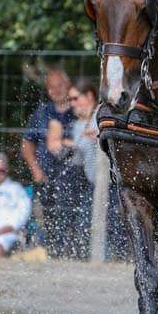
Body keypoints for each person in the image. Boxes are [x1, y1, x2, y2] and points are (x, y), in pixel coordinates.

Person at [21, 68, 76, 256]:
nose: (56, 90)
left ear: (68, 86)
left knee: (74, 219)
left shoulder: (78, 109)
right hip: (46, 177)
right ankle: (55, 254)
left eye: (59, 85)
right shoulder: (42, 112)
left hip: (75, 178)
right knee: (49, 220)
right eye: (51, 87)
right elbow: (27, 143)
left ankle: (74, 254)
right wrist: (35, 168)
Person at [44, 78, 98, 260]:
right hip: (90, 185)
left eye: (75, 99)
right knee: (80, 222)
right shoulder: (76, 125)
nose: (71, 104)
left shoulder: (101, 118)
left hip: (110, 186)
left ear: (89, 96)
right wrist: (67, 144)